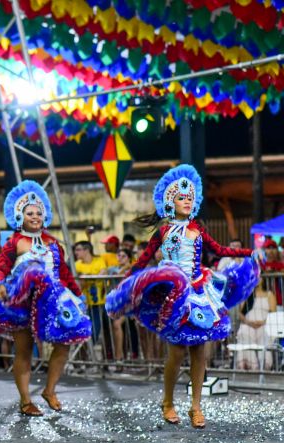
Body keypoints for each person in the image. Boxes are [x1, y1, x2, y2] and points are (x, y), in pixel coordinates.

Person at [106, 165, 259, 429]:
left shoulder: (198, 229)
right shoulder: (163, 232)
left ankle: (195, 407)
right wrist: (127, 284)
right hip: (173, 294)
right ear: (170, 202)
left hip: (199, 293)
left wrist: (249, 253)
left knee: (199, 350)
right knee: (176, 352)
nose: (187, 201)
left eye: (190, 198)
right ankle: (167, 402)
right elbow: (142, 261)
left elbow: (220, 249)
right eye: (181, 197)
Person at [0, 180, 91, 416]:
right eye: (30, 213)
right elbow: (2, 268)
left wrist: (78, 294)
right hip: (21, 302)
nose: (35, 216)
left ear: (45, 216)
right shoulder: (14, 242)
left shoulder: (54, 243)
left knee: (63, 345)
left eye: (39, 213)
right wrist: (0, 284)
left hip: (53, 301)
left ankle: (49, 390)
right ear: (20, 217)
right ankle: (25, 400)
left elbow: (64, 273)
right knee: (24, 351)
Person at [74, 241, 113, 362]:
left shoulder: (99, 261)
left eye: (78, 249)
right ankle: (80, 358)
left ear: (87, 250)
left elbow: (103, 273)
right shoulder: (77, 265)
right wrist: (91, 276)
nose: (76, 252)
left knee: (94, 332)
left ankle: (84, 357)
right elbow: (78, 282)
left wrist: (87, 276)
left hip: (98, 304)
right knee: (80, 331)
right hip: (82, 305)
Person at [107, 249, 139, 371]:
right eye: (118, 255)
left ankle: (147, 360)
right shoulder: (113, 269)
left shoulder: (133, 269)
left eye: (123, 256)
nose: (120, 258)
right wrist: (125, 267)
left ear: (129, 257)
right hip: (118, 304)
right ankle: (119, 358)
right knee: (116, 327)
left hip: (131, 304)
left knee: (140, 334)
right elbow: (114, 275)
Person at [235, 281, 277, 371]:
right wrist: (249, 322)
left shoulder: (269, 295)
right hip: (248, 324)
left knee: (265, 334)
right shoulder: (247, 294)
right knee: (244, 332)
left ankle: (264, 365)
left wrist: (263, 322)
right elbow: (240, 314)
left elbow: (274, 315)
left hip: (264, 325)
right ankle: (251, 366)